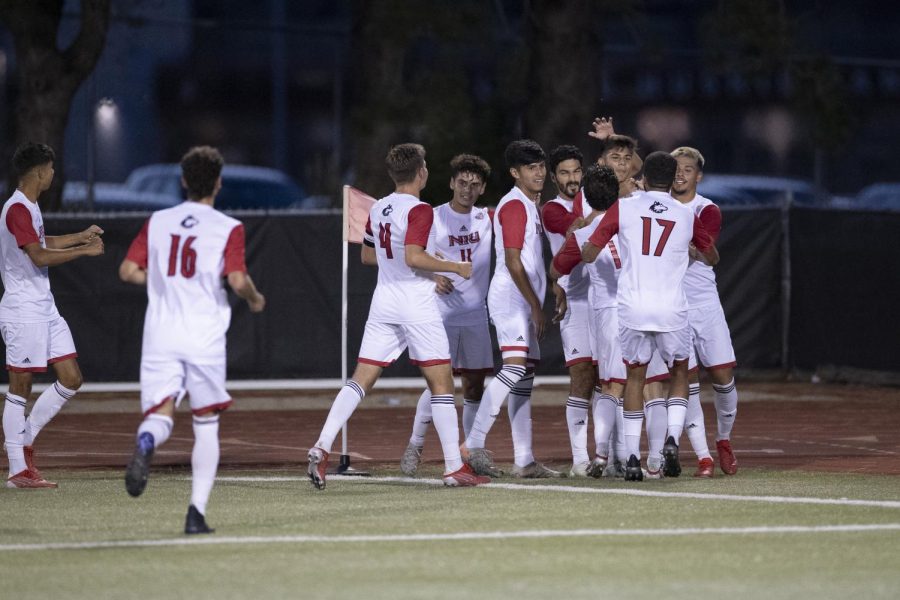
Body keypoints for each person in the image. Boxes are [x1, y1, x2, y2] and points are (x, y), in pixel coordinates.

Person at [307, 143, 488, 489]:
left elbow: (367, 257)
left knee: (360, 379)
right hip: (416, 305)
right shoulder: (420, 210)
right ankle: (453, 467)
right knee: (442, 385)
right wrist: (452, 267)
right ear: (422, 172)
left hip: (384, 302)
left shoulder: (378, 209)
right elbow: (415, 257)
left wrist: (422, 266)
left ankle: (321, 445)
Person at [119, 146, 266, 534]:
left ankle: (148, 441)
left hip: (161, 333)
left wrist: (162, 282)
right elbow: (236, 280)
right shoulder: (227, 226)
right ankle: (195, 514)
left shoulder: (158, 220)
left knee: (160, 412)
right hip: (203, 334)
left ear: (183, 180)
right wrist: (254, 298)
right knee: (206, 422)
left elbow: (128, 270)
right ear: (218, 183)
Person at [581, 152, 719, 481]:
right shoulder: (686, 214)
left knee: (634, 378)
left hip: (632, 306)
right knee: (680, 373)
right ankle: (671, 438)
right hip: (672, 307)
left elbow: (589, 253)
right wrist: (694, 251)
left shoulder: (624, 207)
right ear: (673, 179)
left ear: (644, 175)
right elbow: (712, 256)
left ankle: (631, 458)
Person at [550, 164, 672, 480]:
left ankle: (602, 454)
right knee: (653, 386)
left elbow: (557, 268)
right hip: (644, 307)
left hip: (608, 315)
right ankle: (655, 460)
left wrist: (560, 286)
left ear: (587, 197)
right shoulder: (637, 221)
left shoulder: (582, 234)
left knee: (610, 388)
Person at [1, 143, 105, 489]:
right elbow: (39, 257)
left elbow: (44, 242)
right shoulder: (16, 209)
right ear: (40, 173)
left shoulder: (30, 207)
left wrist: (80, 236)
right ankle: (18, 468)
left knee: (71, 378)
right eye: (51, 169)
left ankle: (24, 438)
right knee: (21, 385)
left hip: (44, 307)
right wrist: (85, 251)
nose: (53, 175)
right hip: (23, 309)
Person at [463, 140, 559, 478]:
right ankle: (472, 444)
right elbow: (514, 262)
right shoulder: (516, 205)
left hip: (521, 297)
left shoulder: (531, 204)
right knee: (515, 368)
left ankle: (525, 460)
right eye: (530, 167)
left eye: (541, 166)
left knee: (524, 380)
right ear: (515, 173)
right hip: (511, 298)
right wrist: (536, 305)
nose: (539, 172)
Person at [400, 154, 496, 476]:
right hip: (439, 314)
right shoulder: (434, 217)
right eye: (463, 182)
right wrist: (433, 277)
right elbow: (413, 257)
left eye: (475, 184)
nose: (467, 189)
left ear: (482, 188)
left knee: (474, 386)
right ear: (452, 183)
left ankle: (468, 451)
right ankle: (414, 445)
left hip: (475, 314)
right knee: (438, 386)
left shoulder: (488, 219)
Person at [670, 146, 739, 477]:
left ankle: (723, 439)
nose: (680, 174)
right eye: (675, 168)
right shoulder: (658, 206)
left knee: (723, 377)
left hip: (703, 302)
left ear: (698, 175)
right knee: (686, 378)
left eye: (686, 169)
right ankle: (703, 456)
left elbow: (705, 250)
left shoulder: (706, 208)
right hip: (671, 304)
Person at [542, 145, 596, 476]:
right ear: (553, 177)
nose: (572, 178)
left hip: (608, 300)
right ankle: (580, 459)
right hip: (574, 300)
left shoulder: (595, 202)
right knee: (581, 376)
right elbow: (577, 228)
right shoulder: (551, 209)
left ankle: (610, 454)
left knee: (611, 379)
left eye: (577, 171)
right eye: (564, 172)